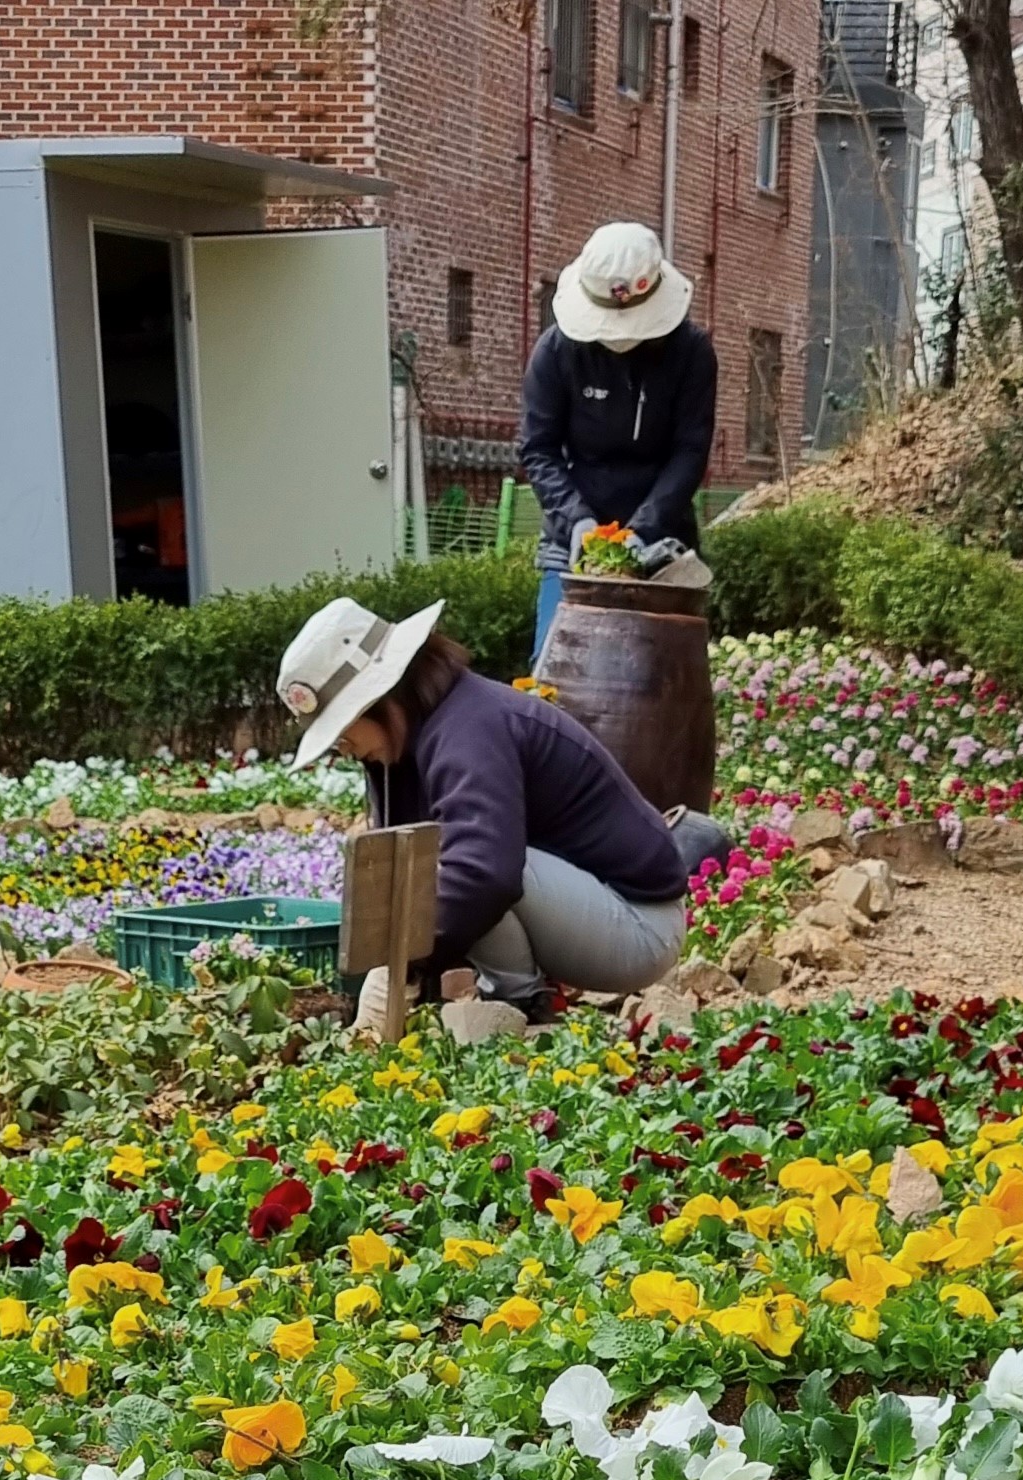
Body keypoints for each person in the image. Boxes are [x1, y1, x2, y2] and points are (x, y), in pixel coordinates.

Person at [276, 595, 687, 1026]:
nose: (342, 747)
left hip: (638, 927)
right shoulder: (406, 744)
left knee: (462, 864)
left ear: (379, 698)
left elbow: (484, 874)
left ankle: (522, 1007)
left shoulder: (471, 729)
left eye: (341, 730)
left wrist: (403, 965)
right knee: (438, 866)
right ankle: (514, 1001)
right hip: (583, 908)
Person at [520, 220, 718, 662]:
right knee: (557, 671)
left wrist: (643, 529)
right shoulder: (555, 352)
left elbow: (690, 450)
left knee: (666, 682)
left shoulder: (691, 353)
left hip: (665, 539)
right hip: (572, 543)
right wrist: (579, 523)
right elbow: (539, 448)